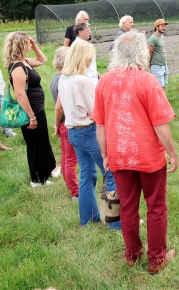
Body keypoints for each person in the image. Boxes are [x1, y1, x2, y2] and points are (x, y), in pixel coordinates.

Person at [93, 30, 178, 273]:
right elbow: (160, 123)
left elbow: (101, 124)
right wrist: (172, 152)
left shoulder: (104, 81)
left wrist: (105, 155)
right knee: (156, 206)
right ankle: (157, 259)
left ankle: (132, 254)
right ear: (142, 53)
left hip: (119, 156)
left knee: (128, 207)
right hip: (149, 157)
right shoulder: (148, 80)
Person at [57, 41, 121, 229]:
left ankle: (88, 218)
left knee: (87, 175)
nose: (92, 59)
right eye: (90, 55)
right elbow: (96, 111)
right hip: (88, 131)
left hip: (73, 132)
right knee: (111, 173)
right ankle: (115, 222)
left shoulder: (64, 78)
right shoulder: (82, 81)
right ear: (84, 57)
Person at [3, 32, 60, 186]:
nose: (30, 44)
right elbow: (20, 94)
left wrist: (35, 46)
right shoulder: (17, 67)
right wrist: (32, 116)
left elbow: (43, 60)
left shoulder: (25, 62)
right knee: (35, 145)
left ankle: (44, 174)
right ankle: (36, 179)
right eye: (28, 43)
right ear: (21, 45)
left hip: (36, 108)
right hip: (31, 110)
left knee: (41, 142)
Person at [50, 47, 79, 200]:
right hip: (67, 124)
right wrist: (56, 123)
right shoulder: (65, 79)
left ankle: (71, 186)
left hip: (62, 124)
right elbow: (59, 107)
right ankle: (75, 191)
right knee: (70, 160)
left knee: (66, 158)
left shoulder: (55, 77)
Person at [148, 19, 169, 89]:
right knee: (159, 86)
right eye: (162, 26)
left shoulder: (162, 37)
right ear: (157, 27)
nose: (164, 28)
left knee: (164, 85)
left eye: (164, 26)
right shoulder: (153, 38)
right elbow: (149, 52)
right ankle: (158, 99)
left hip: (164, 65)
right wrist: (148, 62)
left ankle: (162, 99)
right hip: (157, 65)